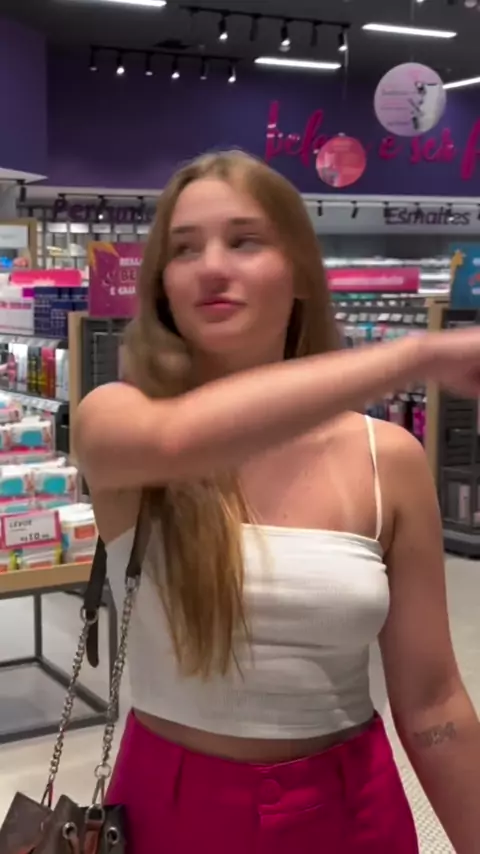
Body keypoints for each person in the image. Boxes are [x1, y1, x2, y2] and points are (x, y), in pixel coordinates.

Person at [75, 151, 480, 854]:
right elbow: (176, 442)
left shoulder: (387, 459)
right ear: (163, 284)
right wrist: (412, 357)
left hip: (353, 814)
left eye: (245, 240)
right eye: (184, 248)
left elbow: (433, 701)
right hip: (170, 814)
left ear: (298, 274)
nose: (212, 266)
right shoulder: (114, 419)